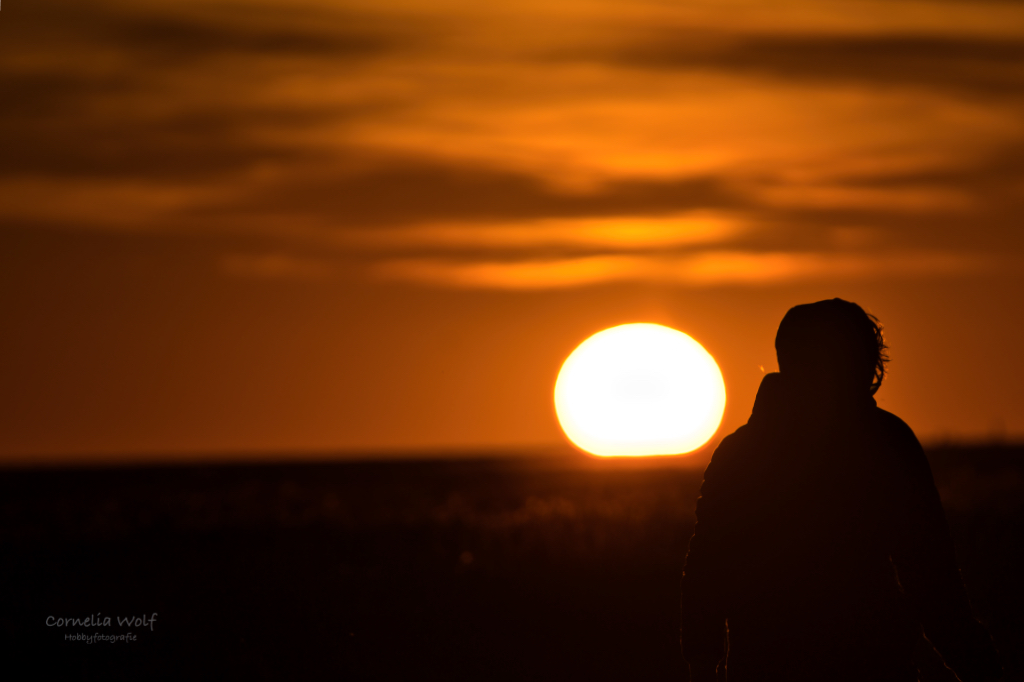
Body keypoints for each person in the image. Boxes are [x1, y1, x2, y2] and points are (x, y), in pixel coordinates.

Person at [680, 299, 1002, 682]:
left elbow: (706, 574)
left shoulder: (740, 451)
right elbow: (932, 581)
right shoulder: (887, 441)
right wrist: (983, 671)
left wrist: (702, 662)